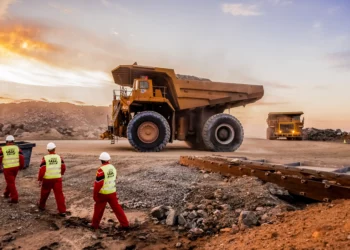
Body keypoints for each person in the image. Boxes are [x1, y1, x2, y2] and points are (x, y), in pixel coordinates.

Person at [91, 152, 129, 230]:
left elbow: (98, 184)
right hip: (112, 193)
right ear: (108, 159)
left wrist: (95, 195)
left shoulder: (101, 170)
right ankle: (125, 224)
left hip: (103, 194)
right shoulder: (113, 167)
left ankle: (95, 225)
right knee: (118, 209)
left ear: (101, 160)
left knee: (98, 210)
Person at [38, 142, 67, 216]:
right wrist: (61, 173)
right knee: (59, 195)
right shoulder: (59, 157)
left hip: (47, 179)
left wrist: (40, 179)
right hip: (57, 178)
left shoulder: (45, 158)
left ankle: (42, 206)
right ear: (55, 148)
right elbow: (63, 167)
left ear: (48, 150)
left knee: (44, 193)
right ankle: (62, 211)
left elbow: (42, 170)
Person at [0, 135, 25, 203]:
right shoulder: (17, 148)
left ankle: (14, 198)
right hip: (16, 168)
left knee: (11, 183)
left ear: (6, 142)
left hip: (8, 168)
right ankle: (6, 193)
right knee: (11, 181)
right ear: (13, 141)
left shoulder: (3, 149)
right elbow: (22, 157)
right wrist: (21, 166)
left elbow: (0, 158)